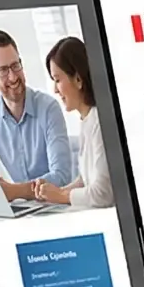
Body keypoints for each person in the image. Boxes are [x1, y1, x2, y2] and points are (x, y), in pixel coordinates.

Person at [0, 27, 73, 199]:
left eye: (15, 66)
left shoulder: (49, 108)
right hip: (24, 212)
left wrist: (14, 191)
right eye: (3, 70)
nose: (12, 77)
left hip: (57, 207)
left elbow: (61, 176)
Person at [29, 36, 115, 209]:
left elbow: (102, 193)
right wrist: (53, 194)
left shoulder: (101, 121)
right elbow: (86, 179)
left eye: (58, 79)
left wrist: (61, 195)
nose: (54, 89)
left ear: (78, 79)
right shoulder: (86, 119)